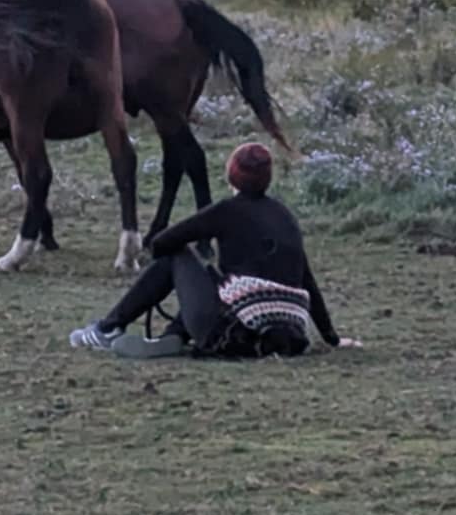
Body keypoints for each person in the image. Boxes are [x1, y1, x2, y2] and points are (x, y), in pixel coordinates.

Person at [68, 142, 355, 357]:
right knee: (219, 280)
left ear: (232, 175)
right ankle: (174, 335)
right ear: (268, 178)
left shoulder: (225, 211)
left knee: (180, 258)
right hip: (287, 337)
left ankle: (108, 328)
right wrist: (330, 337)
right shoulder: (285, 216)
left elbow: (161, 243)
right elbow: (307, 281)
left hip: (232, 334)